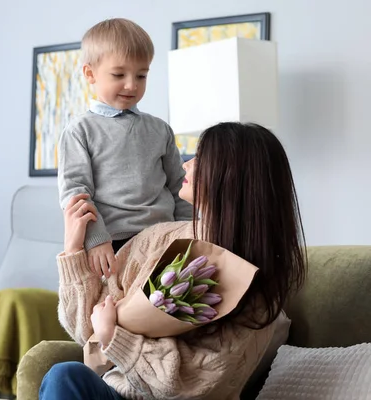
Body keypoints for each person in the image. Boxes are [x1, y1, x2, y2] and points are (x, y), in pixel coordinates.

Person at [40, 122, 307, 400]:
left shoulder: (252, 285)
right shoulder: (156, 238)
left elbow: (198, 383)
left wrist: (114, 337)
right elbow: (86, 331)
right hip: (115, 393)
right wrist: (73, 250)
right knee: (65, 376)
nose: (186, 165)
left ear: (231, 176)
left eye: (201, 158)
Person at [57, 18, 192, 280]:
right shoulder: (79, 130)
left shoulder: (160, 129)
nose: (131, 85)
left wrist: (187, 233)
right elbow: (76, 194)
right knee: (115, 310)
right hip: (111, 245)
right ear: (90, 74)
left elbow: (180, 187)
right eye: (119, 75)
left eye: (141, 75)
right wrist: (96, 240)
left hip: (165, 239)